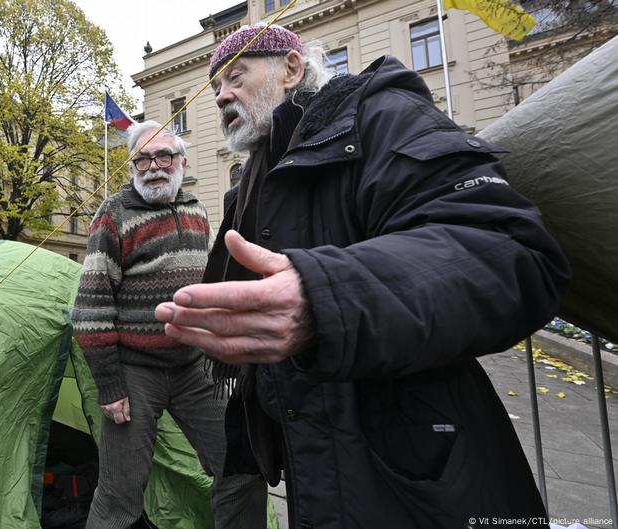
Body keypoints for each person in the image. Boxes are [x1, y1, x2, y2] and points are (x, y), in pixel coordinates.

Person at [154, 24, 571, 529]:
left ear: (290, 68)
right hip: (315, 460)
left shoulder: (383, 117)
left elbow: (511, 252)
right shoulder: (255, 177)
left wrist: (324, 298)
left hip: (419, 469)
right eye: (217, 84)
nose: (220, 94)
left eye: (236, 77)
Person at [73, 120, 267, 529]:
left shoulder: (196, 210)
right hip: (134, 370)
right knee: (119, 493)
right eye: (142, 159)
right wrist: (109, 385)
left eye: (163, 156)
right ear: (131, 167)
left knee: (242, 466)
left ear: (181, 160)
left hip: (194, 367)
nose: (154, 166)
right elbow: (90, 305)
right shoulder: (114, 214)